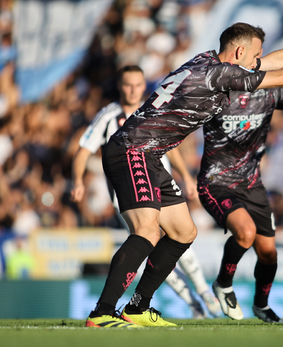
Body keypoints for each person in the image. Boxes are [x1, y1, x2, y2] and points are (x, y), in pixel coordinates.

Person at [85, 22, 283, 328]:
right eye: (254, 55)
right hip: (132, 150)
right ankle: (102, 312)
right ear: (240, 51)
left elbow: (274, 63)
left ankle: (138, 307)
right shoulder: (219, 74)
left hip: (151, 155)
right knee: (147, 231)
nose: (258, 61)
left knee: (183, 233)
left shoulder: (212, 63)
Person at [71, 65, 222, 320]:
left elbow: (169, 144)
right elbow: (84, 149)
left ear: (144, 86)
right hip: (131, 182)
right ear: (120, 86)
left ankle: (199, 291)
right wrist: (78, 180)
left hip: (158, 175)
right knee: (148, 236)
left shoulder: (149, 110)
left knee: (183, 232)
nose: (132, 90)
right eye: (128, 84)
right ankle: (185, 301)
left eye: (138, 85)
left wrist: (185, 175)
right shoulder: (108, 115)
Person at [198, 87, 283, 323]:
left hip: (252, 185)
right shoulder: (215, 90)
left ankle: (261, 306)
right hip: (217, 181)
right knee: (245, 233)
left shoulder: (268, 92)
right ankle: (223, 284)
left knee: (268, 253)